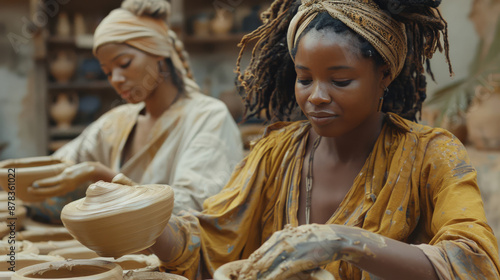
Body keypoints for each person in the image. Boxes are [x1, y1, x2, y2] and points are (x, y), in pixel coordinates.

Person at [149, 0, 500, 279]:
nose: (316, 96)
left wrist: (340, 241)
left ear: (383, 76)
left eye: (340, 81)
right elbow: (211, 240)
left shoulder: (430, 154)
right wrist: (146, 224)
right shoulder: (277, 153)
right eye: (304, 79)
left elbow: (475, 263)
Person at [18, 0, 243, 223]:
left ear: (159, 53)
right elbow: (56, 168)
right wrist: (16, 187)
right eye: (107, 72)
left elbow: (191, 209)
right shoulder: (118, 121)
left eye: (124, 63)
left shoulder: (208, 116)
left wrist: (99, 174)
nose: (115, 79)